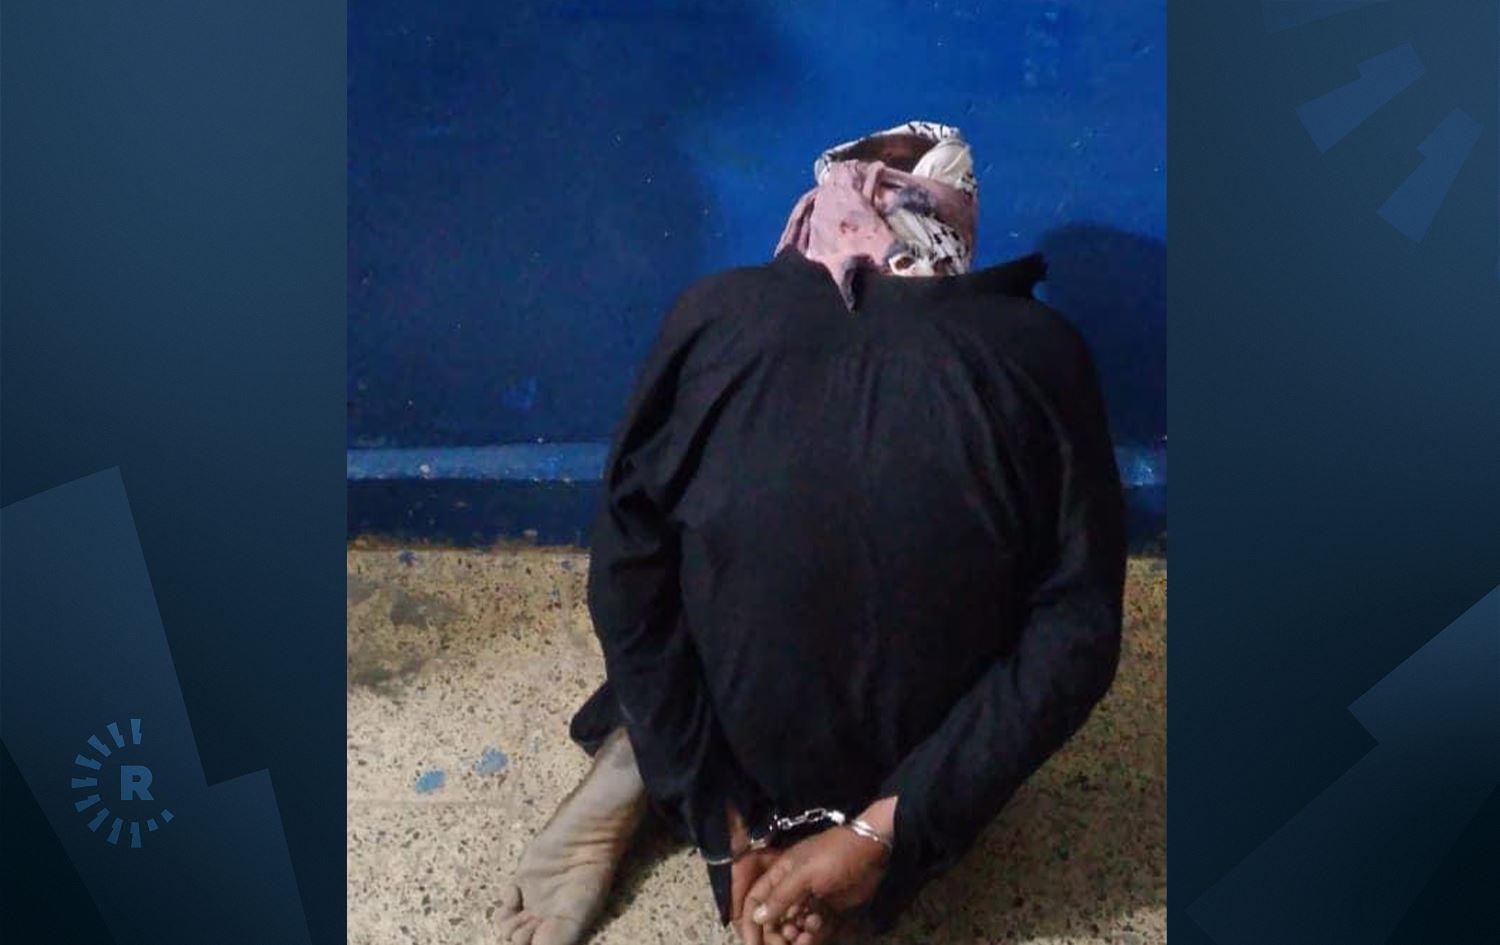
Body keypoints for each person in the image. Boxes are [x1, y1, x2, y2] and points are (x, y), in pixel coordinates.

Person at [492, 120, 1126, 945]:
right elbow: (1078, 635)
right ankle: (865, 849)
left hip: (730, 724)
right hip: (908, 762)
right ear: (960, 222)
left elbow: (624, 577)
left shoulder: (711, 316)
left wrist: (720, 826)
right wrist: (883, 830)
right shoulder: (1040, 352)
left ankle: (654, 760)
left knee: (707, 566)